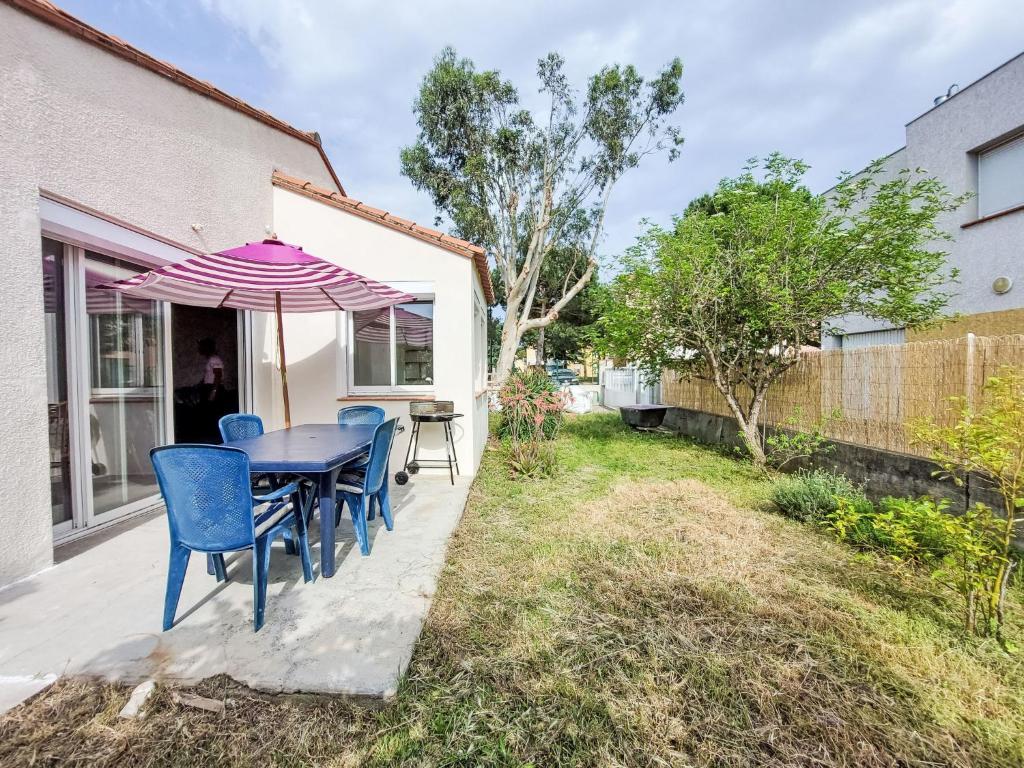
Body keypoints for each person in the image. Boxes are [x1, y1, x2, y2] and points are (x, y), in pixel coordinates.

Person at [198, 337, 224, 402]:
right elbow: (210, 375)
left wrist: (214, 391)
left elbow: (218, 375)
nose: (199, 348)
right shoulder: (210, 359)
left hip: (213, 387)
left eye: (201, 346)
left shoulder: (214, 359)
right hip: (209, 387)